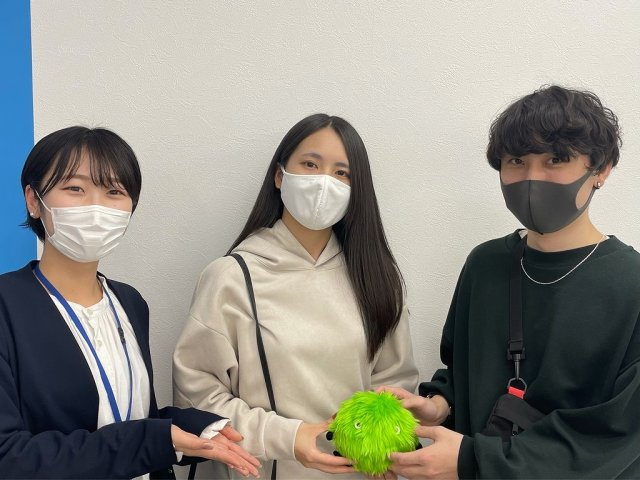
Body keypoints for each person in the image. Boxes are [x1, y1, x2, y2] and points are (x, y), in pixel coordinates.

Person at [380, 85, 640, 479]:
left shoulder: (630, 284)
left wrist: (474, 460)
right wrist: (439, 404)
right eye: (517, 160)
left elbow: (619, 435)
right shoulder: (485, 265)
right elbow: (465, 367)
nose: (532, 178)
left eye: (556, 159)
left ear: (601, 170)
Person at [0, 126, 260, 479]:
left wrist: (195, 428)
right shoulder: (7, 305)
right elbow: (10, 457)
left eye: (114, 192)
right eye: (75, 188)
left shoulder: (129, 302)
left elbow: (129, 418)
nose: (96, 206)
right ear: (34, 200)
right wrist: (152, 440)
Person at [173, 114, 419, 479]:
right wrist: (288, 438)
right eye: (310, 164)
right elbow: (198, 400)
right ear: (280, 175)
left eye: (341, 173)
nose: (323, 182)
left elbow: (395, 384)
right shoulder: (231, 278)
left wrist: (384, 444)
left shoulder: (377, 279)